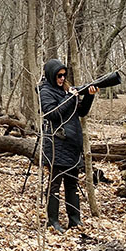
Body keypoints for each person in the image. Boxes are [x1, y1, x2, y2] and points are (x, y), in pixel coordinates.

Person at [38, 59, 97, 233]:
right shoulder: (45, 91)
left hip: (72, 144)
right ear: (51, 75)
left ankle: (74, 220)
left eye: (64, 75)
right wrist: (70, 97)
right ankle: (53, 221)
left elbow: (81, 112)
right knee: (55, 184)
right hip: (56, 143)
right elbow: (52, 113)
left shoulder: (66, 90)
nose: (62, 78)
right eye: (59, 75)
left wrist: (89, 96)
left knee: (72, 184)